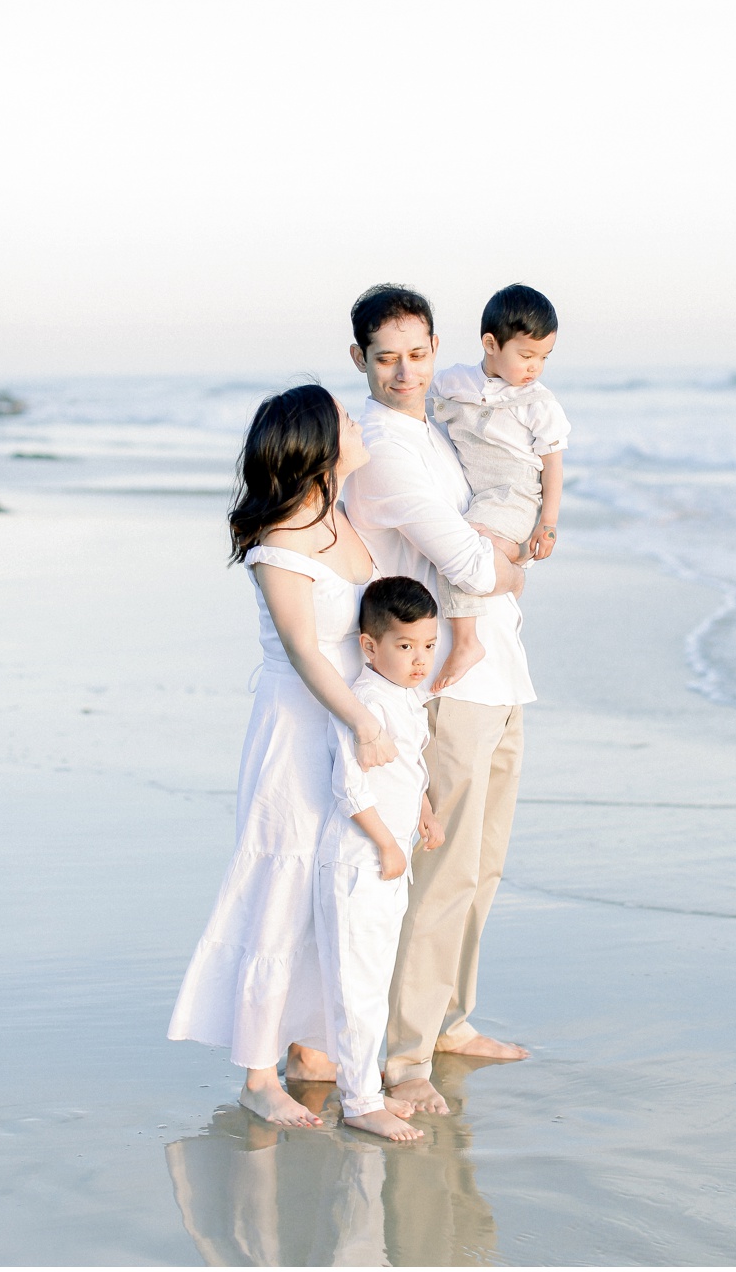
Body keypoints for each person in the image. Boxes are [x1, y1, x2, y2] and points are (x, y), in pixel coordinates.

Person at [168, 384, 412, 1129]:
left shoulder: (342, 518)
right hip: (299, 727)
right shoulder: (281, 539)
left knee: (330, 883)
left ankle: (312, 1046)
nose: (356, 421)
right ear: (318, 443)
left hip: (350, 721)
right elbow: (308, 652)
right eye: (343, 416)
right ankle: (255, 1072)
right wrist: (363, 726)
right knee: (281, 880)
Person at [343, 284, 535, 1117]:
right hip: (444, 682)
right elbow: (469, 557)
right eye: (386, 355)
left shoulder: (439, 432)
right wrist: (507, 560)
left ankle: (450, 1017)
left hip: (499, 673)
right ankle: (405, 1053)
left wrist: (508, 556)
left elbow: (511, 521)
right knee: (442, 871)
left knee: (482, 866)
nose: (405, 370)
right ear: (361, 360)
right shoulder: (381, 446)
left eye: (418, 352)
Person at [315, 576, 446, 1142]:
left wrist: (423, 811)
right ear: (370, 647)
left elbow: (407, 765)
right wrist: (389, 845)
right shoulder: (365, 701)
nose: (420, 660)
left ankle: (363, 1085)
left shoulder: (405, 697)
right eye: (405, 646)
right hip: (359, 862)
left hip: (389, 861)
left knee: (374, 974)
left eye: (428, 646)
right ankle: (360, 1102)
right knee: (358, 984)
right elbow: (349, 789)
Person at [429, 283, 570, 691]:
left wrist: (549, 523)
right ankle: (509, 568)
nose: (535, 367)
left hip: (517, 493)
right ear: (491, 344)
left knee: (466, 545)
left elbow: (552, 467)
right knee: (471, 547)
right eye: (526, 355)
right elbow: (421, 403)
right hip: (481, 492)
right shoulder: (455, 382)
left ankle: (468, 642)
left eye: (544, 357)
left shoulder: (538, 403)